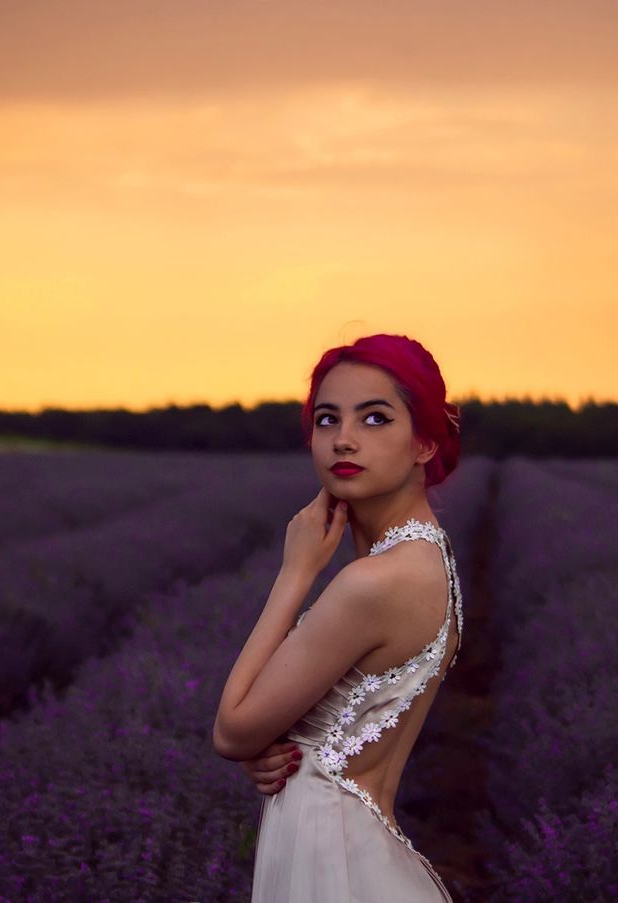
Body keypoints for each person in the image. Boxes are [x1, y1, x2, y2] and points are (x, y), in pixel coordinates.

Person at [213, 333, 465, 902]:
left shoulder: (372, 582)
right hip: (351, 847)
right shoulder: (432, 559)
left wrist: (294, 573)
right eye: (327, 421)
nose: (343, 440)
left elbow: (230, 730)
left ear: (425, 441)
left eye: (375, 419)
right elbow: (345, 731)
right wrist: (280, 754)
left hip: (332, 858)